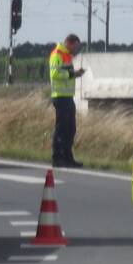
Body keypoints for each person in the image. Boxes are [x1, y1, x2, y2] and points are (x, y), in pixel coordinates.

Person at [49, 34, 86, 168]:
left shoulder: (67, 55)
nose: (76, 49)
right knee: (61, 128)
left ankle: (67, 157)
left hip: (67, 96)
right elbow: (54, 74)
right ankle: (58, 158)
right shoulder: (57, 54)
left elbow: (65, 73)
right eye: (75, 46)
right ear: (69, 43)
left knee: (70, 128)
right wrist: (73, 74)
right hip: (60, 96)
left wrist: (74, 74)